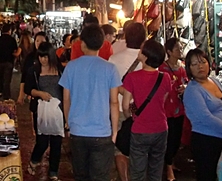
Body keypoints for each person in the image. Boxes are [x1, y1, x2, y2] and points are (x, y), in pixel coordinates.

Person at [59, 24, 121, 181]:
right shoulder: (110, 68)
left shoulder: (71, 67)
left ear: (82, 44)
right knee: (100, 177)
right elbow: (114, 103)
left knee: (81, 176)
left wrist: (68, 123)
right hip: (102, 132)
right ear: (101, 44)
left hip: (78, 131)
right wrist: (114, 131)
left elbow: (66, 99)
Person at [183, 49, 222, 181]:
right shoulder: (192, 90)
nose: (200, 66)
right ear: (189, 68)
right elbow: (205, 117)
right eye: (194, 64)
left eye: (203, 62)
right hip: (206, 141)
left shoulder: (215, 81)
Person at [122, 39, 172, 181]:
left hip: (140, 129)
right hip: (161, 128)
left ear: (145, 56)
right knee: (156, 169)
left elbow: (125, 105)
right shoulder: (165, 77)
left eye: (141, 50)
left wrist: (130, 116)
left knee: (137, 171)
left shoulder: (132, 77)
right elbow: (163, 100)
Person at [108, 21, 147, 181]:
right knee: (139, 148)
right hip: (141, 111)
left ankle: (124, 178)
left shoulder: (113, 59)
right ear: (144, 39)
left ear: (126, 37)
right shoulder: (147, 60)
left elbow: (109, 87)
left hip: (118, 109)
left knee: (119, 148)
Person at [25, 42, 64, 181]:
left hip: (58, 111)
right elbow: (28, 89)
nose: (43, 60)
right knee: (42, 141)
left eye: (46, 57)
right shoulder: (34, 71)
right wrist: (39, 93)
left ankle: (53, 171)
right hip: (41, 111)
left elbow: (66, 90)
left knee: (56, 143)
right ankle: (34, 161)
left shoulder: (60, 70)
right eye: (41, 57)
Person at [159, 38, 188, 181]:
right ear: (169, 52)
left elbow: (186, 81)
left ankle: (171, 162)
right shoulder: (162, 68)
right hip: (166, 108)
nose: (180, 50)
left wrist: (185, 87)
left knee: (177, 138)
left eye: (181, 48)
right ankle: (169, 167)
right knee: (169, 138)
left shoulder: (182, 67)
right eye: (177, 48)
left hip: (179, 107)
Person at [0, 23, 21, 100]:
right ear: (9, 30)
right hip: (9, 62)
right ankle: (6, 96)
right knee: (7, 80)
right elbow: (15, 52)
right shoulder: (12, 40)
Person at [18, 32, 47, 105]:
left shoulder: (52, 57)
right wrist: (21, 94)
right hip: (34, 93)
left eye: (42, 41)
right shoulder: (30, 57)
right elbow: (24, 76)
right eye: (37, 41)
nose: (39, 43)